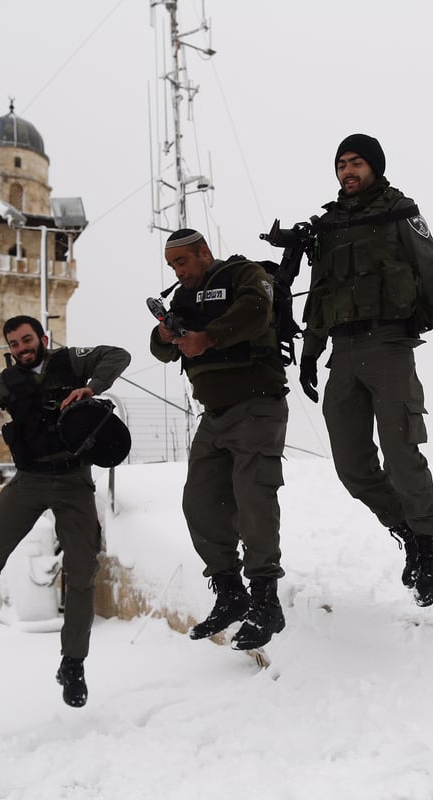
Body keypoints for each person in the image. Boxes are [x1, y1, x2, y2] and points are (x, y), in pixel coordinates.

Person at [0, 315, 131, 708]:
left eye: (27, 339)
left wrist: (91, 387)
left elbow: (118, 355)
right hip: (28, 481)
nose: (21, 348)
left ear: (42, 338)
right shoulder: (8, 381)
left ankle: (73, 663)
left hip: (73, 481)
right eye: (14, 343)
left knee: (81, 572)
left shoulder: (71, 361)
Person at [298, 133, 433, 608]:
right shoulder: (329, 226)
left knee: (401, 453)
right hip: (342, 355)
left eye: (355, 163)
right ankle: (408, 533)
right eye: (340, 165)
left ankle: (431, 545)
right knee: (351, 465)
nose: (347, 171)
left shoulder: (400, 212)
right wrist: (310, 352)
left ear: (374, 167)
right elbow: (320, 292)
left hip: (390, 347)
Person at [149, 228, 289, 650]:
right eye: (172, 265)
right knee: (201, 503)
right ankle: (230, 591)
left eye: (183, 262)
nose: (179, 271)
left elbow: (256, 310)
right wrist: (165, 335)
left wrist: (206, 337)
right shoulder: (181, 299)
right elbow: (161, 352)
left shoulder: (242, 274)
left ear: (204, 252)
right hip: (214, 416)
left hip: (257, 403)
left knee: (253, 497)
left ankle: (266, 599)